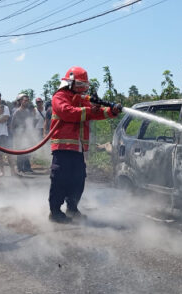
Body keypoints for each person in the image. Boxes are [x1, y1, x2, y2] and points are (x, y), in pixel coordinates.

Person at [48, 66, 120, 223]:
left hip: (78, 149)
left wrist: (112, 111)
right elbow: (68, 112)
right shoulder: (59, 97)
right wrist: (89, 110)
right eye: (79, 85)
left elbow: (95, 113)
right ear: (70, 82)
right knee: (60, 179)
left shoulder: (81, 99)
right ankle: (55, 212)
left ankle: (72, 209)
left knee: (78, 179)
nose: (82, 89)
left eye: (84, 86)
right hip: (63, 147)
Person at [10, 93, 34, 173]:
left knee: (27, 151)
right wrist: (15, 135)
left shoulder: (28, 112)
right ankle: (20, 168)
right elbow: (12, 125)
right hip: (19, 134)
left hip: (26, 134)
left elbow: (30, 123)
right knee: (20, 152)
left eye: (27, 101)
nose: (26, 102)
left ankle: (27, 167)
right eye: (25, 100)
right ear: (21, 101)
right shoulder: (17, 112)